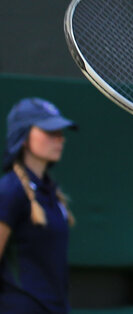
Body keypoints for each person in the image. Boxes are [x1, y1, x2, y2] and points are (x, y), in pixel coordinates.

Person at [0, 97, 78, 313]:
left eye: (61, 132)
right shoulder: (9, 191)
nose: (60, 139)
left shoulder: (51, 192)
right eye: (50, 132)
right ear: (23, 137)